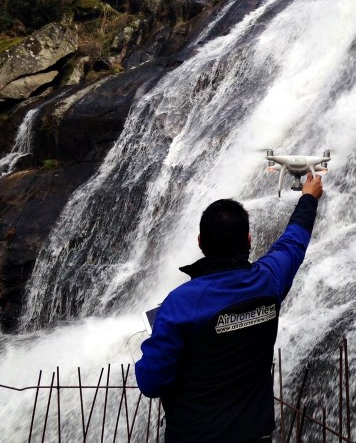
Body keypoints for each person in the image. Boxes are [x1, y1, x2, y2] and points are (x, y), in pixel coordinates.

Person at [135, 172, 323, 442]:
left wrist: (153, 343)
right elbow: (294, 240)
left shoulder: (179, 303)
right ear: (248, 241)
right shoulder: (269, 280)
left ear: (200, 243)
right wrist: (309, 196)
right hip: (255, 435)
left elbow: (151, 382)